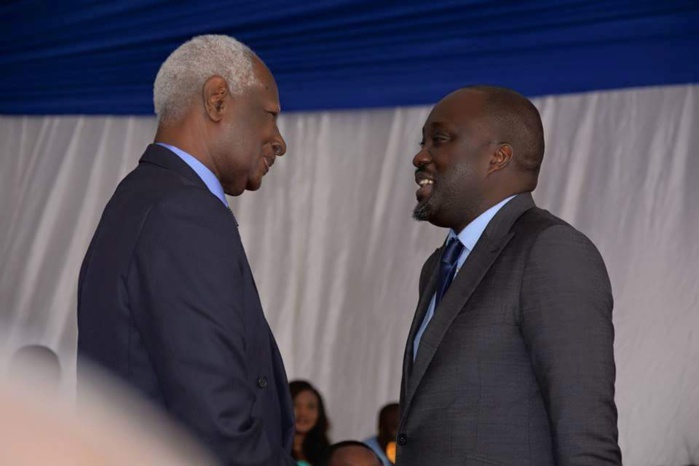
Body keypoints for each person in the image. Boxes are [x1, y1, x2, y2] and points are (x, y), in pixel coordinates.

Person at [77, 35, 295, 465]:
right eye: (270, 115)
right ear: (217, 100)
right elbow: (216, 421)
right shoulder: (182, 211)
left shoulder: (143, 196)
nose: (279, 141)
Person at [397, 86, 621, 465]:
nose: (420, 156)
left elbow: (584, 433)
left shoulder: (549, 251)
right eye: (423, 142)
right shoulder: (439, 266)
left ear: (498, 157)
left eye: (440, 139)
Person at [289, 380, 331, 465]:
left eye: (310, 407)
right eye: (295, 405)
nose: (303, 413)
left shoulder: (327, 455)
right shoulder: (268, 450)